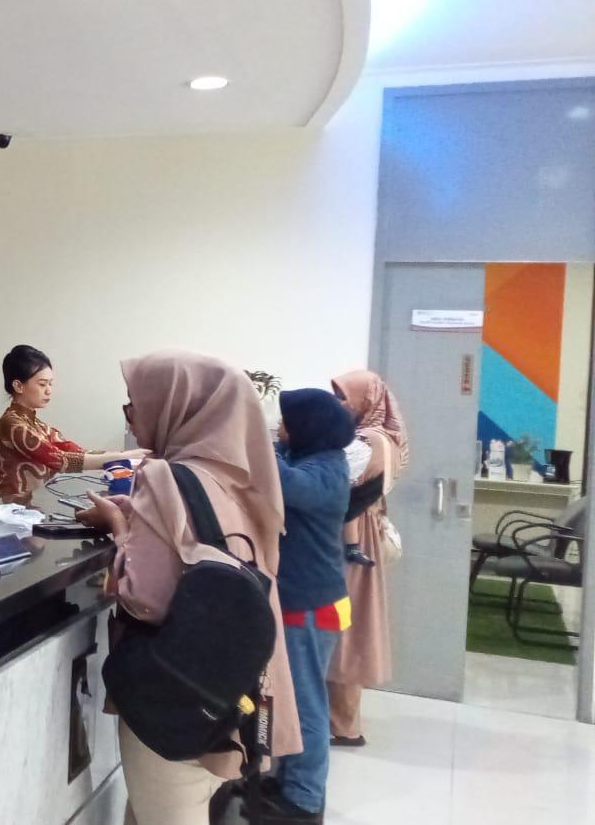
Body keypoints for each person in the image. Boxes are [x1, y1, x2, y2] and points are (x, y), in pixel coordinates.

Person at [76, 350, 300, 825]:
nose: (131, 417)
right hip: (234, 689)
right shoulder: (245, 479)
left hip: (177, 695)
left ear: (178, 406)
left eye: (135, 403)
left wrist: (120, 526)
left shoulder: (166, 478)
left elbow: (144, 596)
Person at [264, 389, 355, 824]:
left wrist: (253, 441)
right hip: (304, 600)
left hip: (313, 606)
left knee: (306, 703)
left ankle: (303, 798)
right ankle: (288, 780)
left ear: (308, 427)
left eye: (287, 421)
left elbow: (283, 483)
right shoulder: (308, 456)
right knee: (292, 698)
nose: (280, 428)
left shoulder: (327, 470)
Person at [327, 370, 408, 747]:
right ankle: (341, 720)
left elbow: (337, 481)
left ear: (367, 400)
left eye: (344, 396)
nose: (338, 404)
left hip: (354, 538)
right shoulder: (386, 438)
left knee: (344, 627)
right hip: (363, 533)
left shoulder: (368, 441)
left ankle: (342, 724)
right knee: (348, 624)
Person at [0, 344, 146, 498]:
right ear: (18, 386)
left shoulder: (38, 425)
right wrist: (125, 456)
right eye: (42, 384)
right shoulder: (12, 424)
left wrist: (126, 455)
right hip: (5, 506)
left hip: (27, 504)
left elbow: (77, 452)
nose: (49, 390)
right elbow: (62, 461)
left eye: (50, 383)